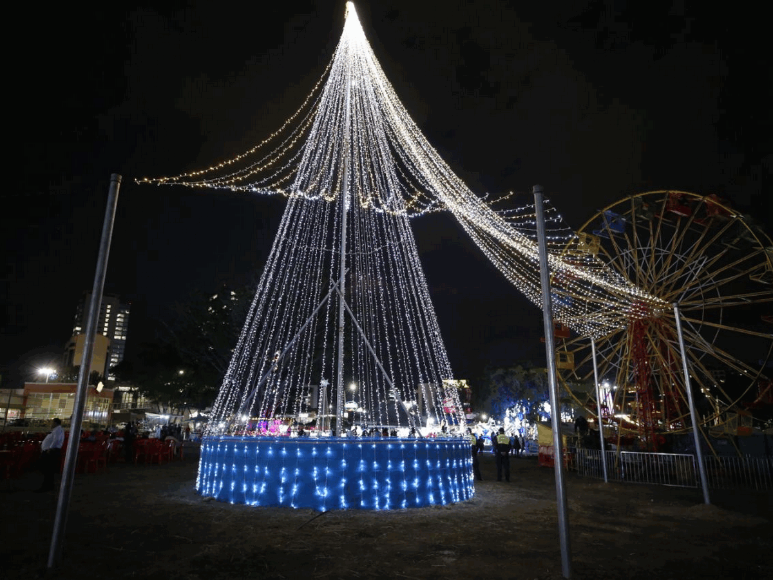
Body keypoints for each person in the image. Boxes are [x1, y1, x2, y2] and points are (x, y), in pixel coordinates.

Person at [37, 418, 65, 492]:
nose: (50, 424)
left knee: (48, 469)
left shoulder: (58, 430)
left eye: (52, 423)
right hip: (50, 451)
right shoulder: (56, 430)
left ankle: (46, 486)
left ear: (55, 423)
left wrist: (50, 448)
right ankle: (49, 485)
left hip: (51, 451)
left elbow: (56, 440)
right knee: (49, 469)